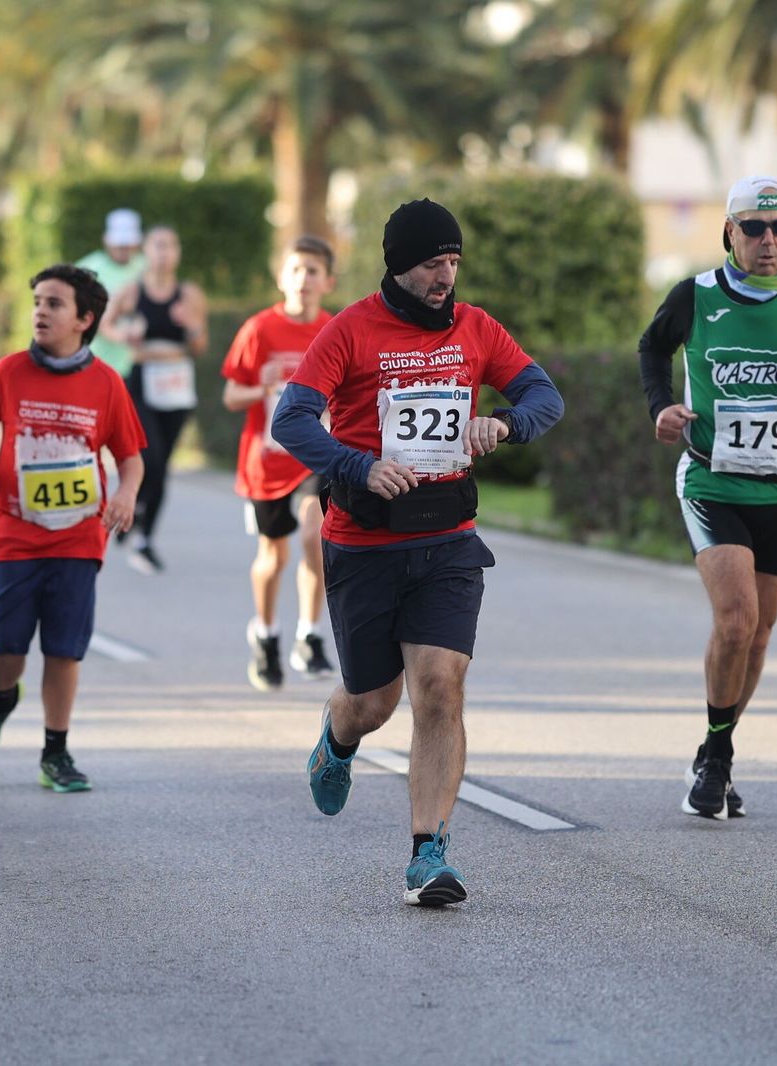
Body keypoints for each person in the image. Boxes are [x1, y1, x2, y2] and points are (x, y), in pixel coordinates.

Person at [272, 199, 564, 906]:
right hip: (365, 544)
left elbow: (543, 394)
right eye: (434, 263)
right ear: (399, 264)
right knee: (373, 702)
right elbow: (292, 417)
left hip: (446, 540)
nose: (446, 276)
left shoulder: (475, 327)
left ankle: (427, 851)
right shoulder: (350, 331)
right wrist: (355, 466)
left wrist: (506, 424)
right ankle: (338, 739)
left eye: (455, 262)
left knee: (440, 686)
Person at [639, 176, 777, 820]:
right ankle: (715, 760)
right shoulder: (696, 294)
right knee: (736, 620)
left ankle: (719, 745)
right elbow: (652, 348)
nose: (769, 241)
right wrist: (663, 408)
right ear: (730, 234)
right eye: (754, 229)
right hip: (712, 478)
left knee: (760, 635)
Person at [0, 265, 145, 791]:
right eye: (37, 301)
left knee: (64, 647)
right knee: (6, 649)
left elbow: (131, 456)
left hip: (79, 536)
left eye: (54, 303)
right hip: (13, 531)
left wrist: (125, 494)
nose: (40, 311)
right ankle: (1, 697)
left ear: (84, 319)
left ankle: (56, 751)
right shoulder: (9, 372)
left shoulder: (106, 383)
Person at [221, 236, 339, 690]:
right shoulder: (259, 330)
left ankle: (309, 636)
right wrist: (261, 387)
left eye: (313, 271)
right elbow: (231, 395)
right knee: (273, 556)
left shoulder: (335, 329)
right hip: (266, 460)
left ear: (327, 281)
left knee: (316, 534)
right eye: (296, 269)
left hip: (315, 456)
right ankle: (266, 634)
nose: (304, 279)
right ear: (281, 277)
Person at [101, 226, 208, 574]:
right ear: (146, 251)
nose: (164, 252)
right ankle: (136, 510)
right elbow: (105, 323)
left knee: (164, 465)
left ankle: (143, 530)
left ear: (177, 253)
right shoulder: (132, 291)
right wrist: (124, 334)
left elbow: (200, 346)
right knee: (151, 455)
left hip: (176, 384)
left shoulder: (188, 294)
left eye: (170, 245)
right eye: (157, 245)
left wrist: (191, 327)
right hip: (142, 382)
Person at [74, 208, 145, 378]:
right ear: (106, 240)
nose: (123, 248)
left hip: (137, 365)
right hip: (95, 364)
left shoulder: (146, 267)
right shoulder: (87, 269)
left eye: (127, 243)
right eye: (119, 243)